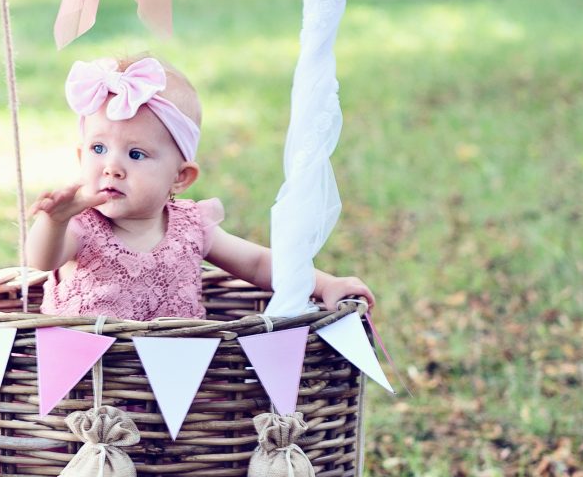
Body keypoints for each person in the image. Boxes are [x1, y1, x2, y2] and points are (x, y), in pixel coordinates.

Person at [25, 54, 374, 322]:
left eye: (136, 154)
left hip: (177, 377)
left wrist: (326, 285)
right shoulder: (80, 225)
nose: (112, 167)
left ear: (180, 177)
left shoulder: (191, 226)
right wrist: (54, 221)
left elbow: (257, 263)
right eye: (98, 148)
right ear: (80, 155)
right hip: (92, 380)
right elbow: (41, 260)